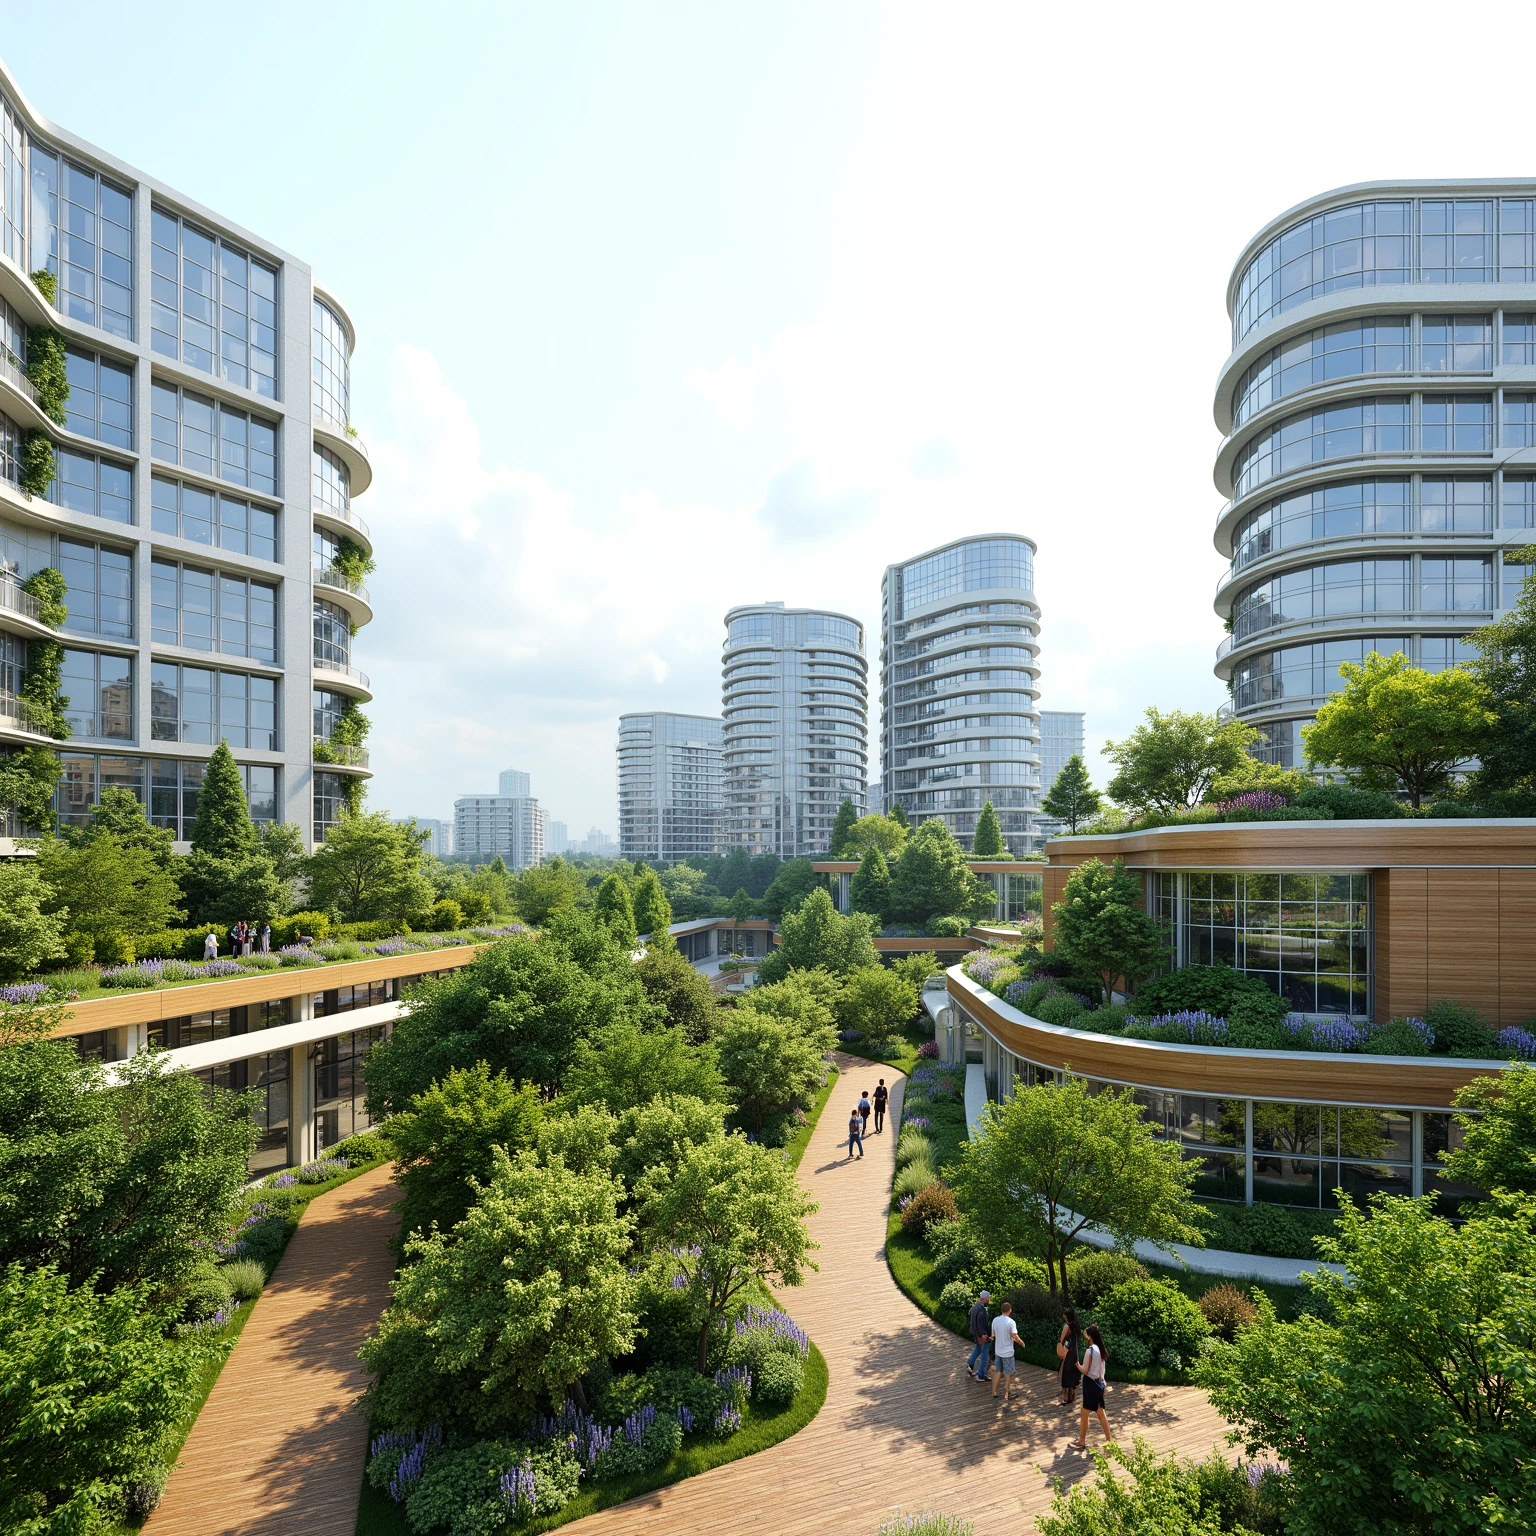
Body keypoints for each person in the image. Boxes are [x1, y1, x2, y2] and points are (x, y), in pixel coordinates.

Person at [1071, 1324, 1114, 1449]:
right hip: (1100, 1383)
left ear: (1089, 1336)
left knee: (1084, 1412)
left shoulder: (1090, 1351)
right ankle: (1108, 1440)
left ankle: (1082, 1441)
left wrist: (1078, 1365)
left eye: (1086, 1334)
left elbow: (1085, 1371)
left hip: (1090, 1384)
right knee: (1100, 1412)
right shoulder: (1101, 1349)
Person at [990, 1300, 1020, 1402]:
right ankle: (1007, 1393)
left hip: (998, 1351)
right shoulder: (1011, 1322)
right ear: (1010, 1310)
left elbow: (993, 1335)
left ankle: (994, 1393)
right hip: (1008, 1352)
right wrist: (1021, 1342)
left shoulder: (995, 1320)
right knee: (1009, 1373)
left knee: (998, 1371)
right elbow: (1014, 1336)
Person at [1057, 1303, 1082, 1406]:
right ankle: (1072, 1396)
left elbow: (1061, 1340)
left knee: (1065, 1373)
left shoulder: (1066, 1326)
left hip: (1067, 1352)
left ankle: (1066, 1398)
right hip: (1074, 1352)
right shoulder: (1076, 1325)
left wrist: (1059, 1349)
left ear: (1066, 1316)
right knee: (1072, 1373)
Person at [966, 1290, 993, 1381]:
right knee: (985, 1354)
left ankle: (970, 1365)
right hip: (983, 1335)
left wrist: (977, 1334)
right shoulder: (982, 1310)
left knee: (977, 1349)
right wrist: (983, 1335)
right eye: (988, 1299)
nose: (988, 1301)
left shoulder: (975, 1307)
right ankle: (981, 1374)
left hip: (975, 1334)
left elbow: (973, 1322)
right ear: (985, 1299)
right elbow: (981, 1323)